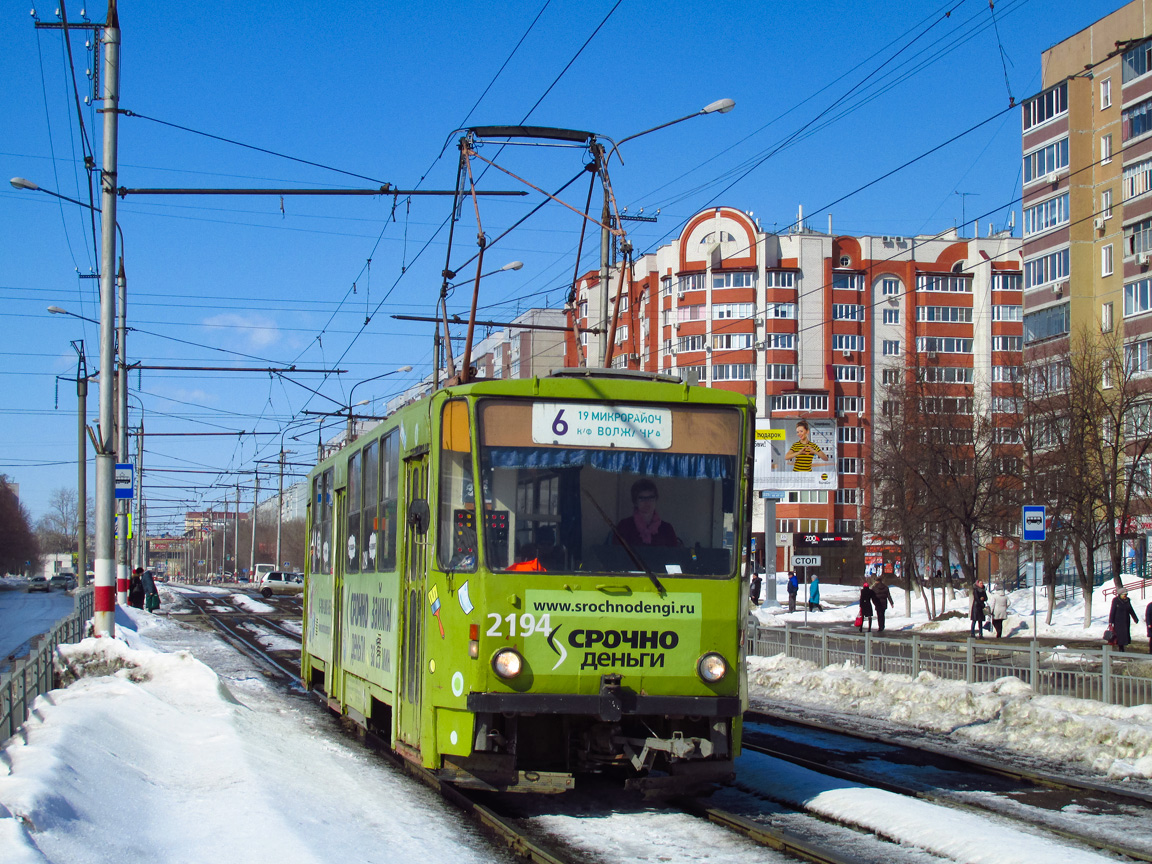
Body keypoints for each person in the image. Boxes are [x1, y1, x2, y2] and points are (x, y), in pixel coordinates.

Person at [614, 479, 679, 547]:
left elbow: (674, 555)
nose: (647, 502)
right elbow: (617, 554)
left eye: (651, 498)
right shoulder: (624, 526)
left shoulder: (666, 529)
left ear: (656, 499)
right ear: (635, 501)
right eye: (642, 498)